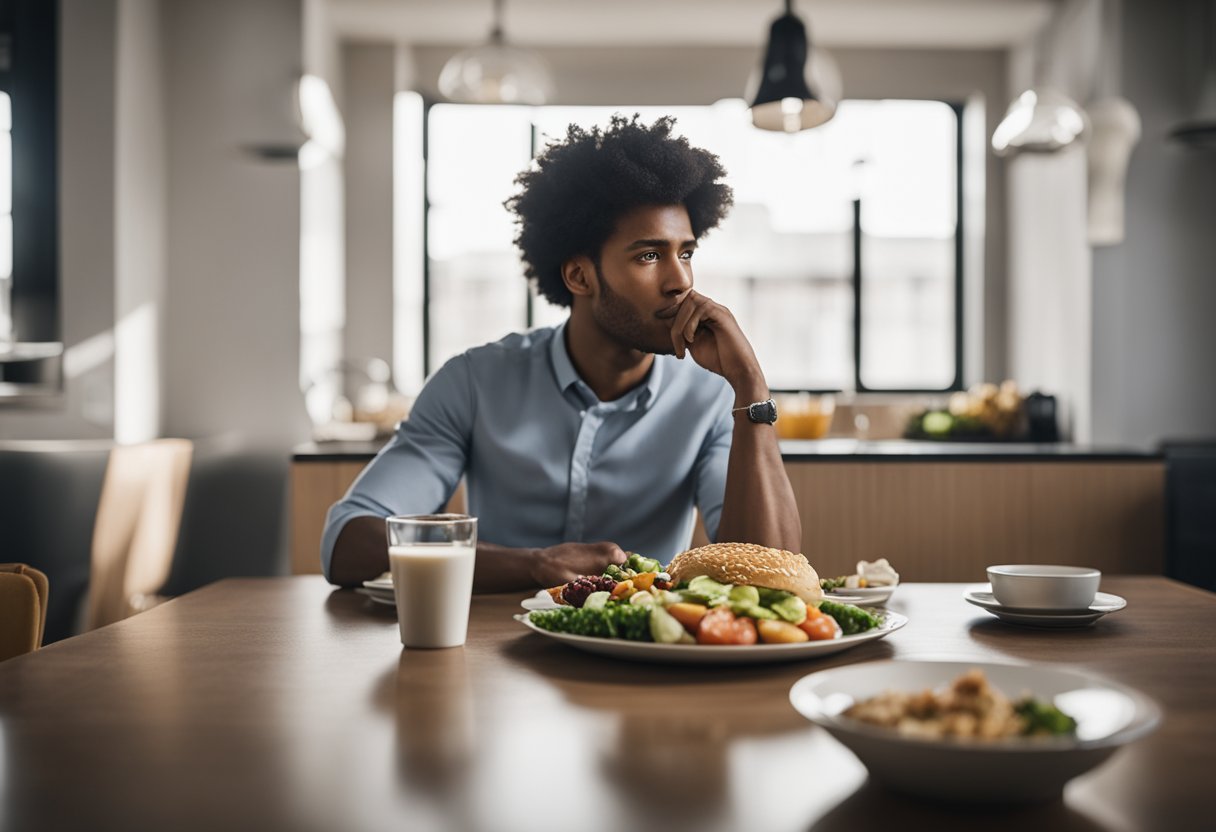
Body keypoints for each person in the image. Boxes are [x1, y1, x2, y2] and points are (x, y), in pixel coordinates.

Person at [322, 114, 800, 590]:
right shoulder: (474, 382)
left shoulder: (711, 398)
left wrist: (751, 387)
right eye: (649, 256)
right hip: (494, 651)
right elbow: (348, 543)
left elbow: (772, 579)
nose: (680, 281)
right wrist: (531, 565)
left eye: (686, 253)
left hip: (647, 656)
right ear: (579, 277)